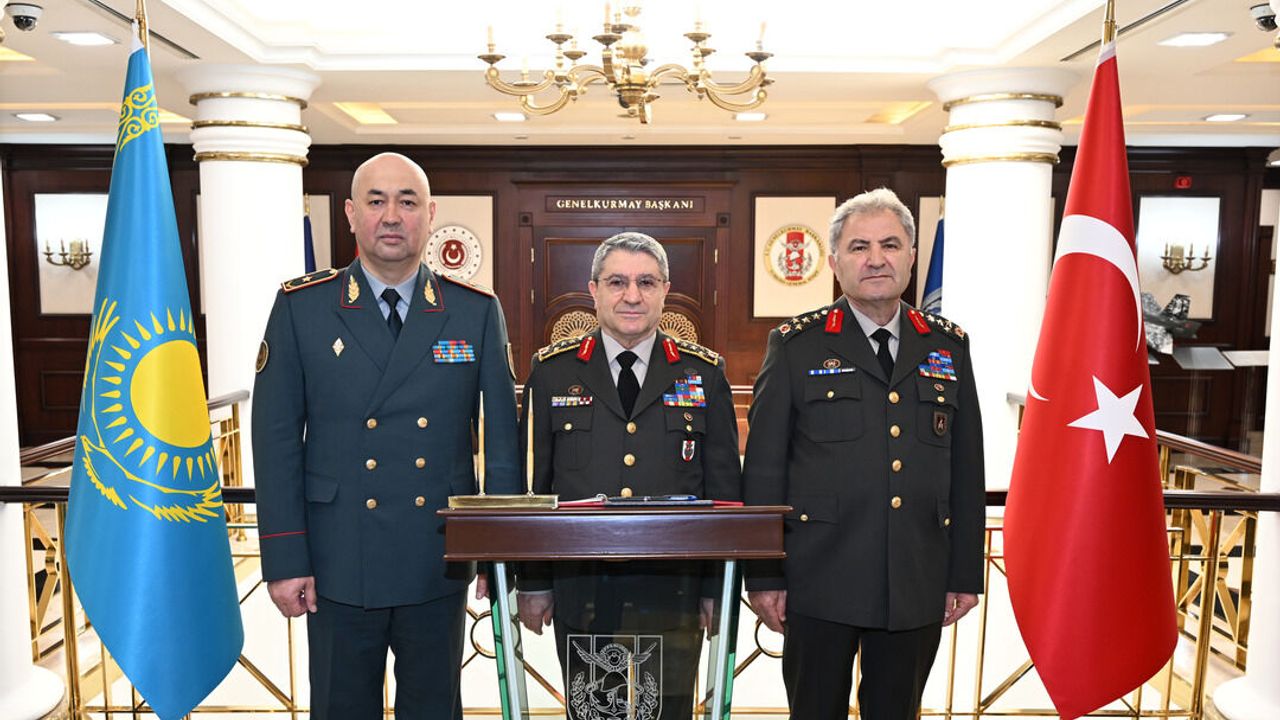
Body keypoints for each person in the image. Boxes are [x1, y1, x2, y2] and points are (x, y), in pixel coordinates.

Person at [252, 152, 520, 720]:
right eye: (376, 201)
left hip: (436, 556)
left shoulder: (473, 310)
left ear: (430, 215)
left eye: (407, 201)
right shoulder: (303, 308)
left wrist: (498, 549)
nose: (392, 215)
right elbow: (276, 441)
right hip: (338, 557)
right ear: (351, 214)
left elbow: (502, 442)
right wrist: (284, 557)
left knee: (434, 709)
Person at [742, 188, 985, 720]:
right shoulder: (797, 345)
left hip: (915, 576)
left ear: (912, 256)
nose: (876, 259)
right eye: (859, 247)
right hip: (819, 578)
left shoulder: (948, 346)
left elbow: (967, 469)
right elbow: (762, 470)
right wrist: (763, 576)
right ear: (834, 262)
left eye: (890, 245)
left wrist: (965, 572)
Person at [516, 232, 741, 720]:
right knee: (595, 708)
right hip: (582, 582)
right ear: (593, 290)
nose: (632, 296)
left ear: (666, 291)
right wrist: (532, 581)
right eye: (617, 282)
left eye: (646, 282)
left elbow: (724, 490)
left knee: (669, 709)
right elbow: (533, 487)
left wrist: (715, 587)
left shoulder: (704, 374)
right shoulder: (552, 373)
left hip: (674, 585)